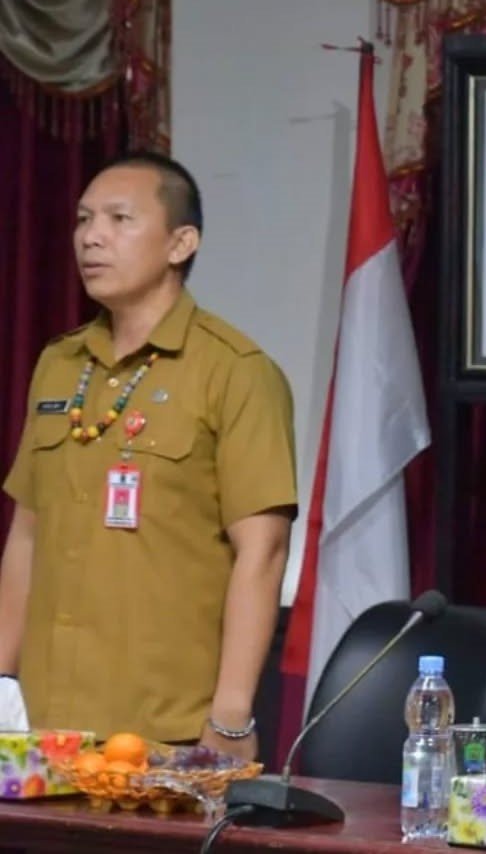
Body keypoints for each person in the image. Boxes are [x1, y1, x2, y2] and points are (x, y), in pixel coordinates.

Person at [0, 152, 297, 760]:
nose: (91, 237)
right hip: (43, 728)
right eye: (84, 219)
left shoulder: (235, 371)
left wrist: (231, 715)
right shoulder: (60, 363)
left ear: (180, 243)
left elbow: (263, 552)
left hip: (164, 732)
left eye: (119, 219)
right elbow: (27, 534)